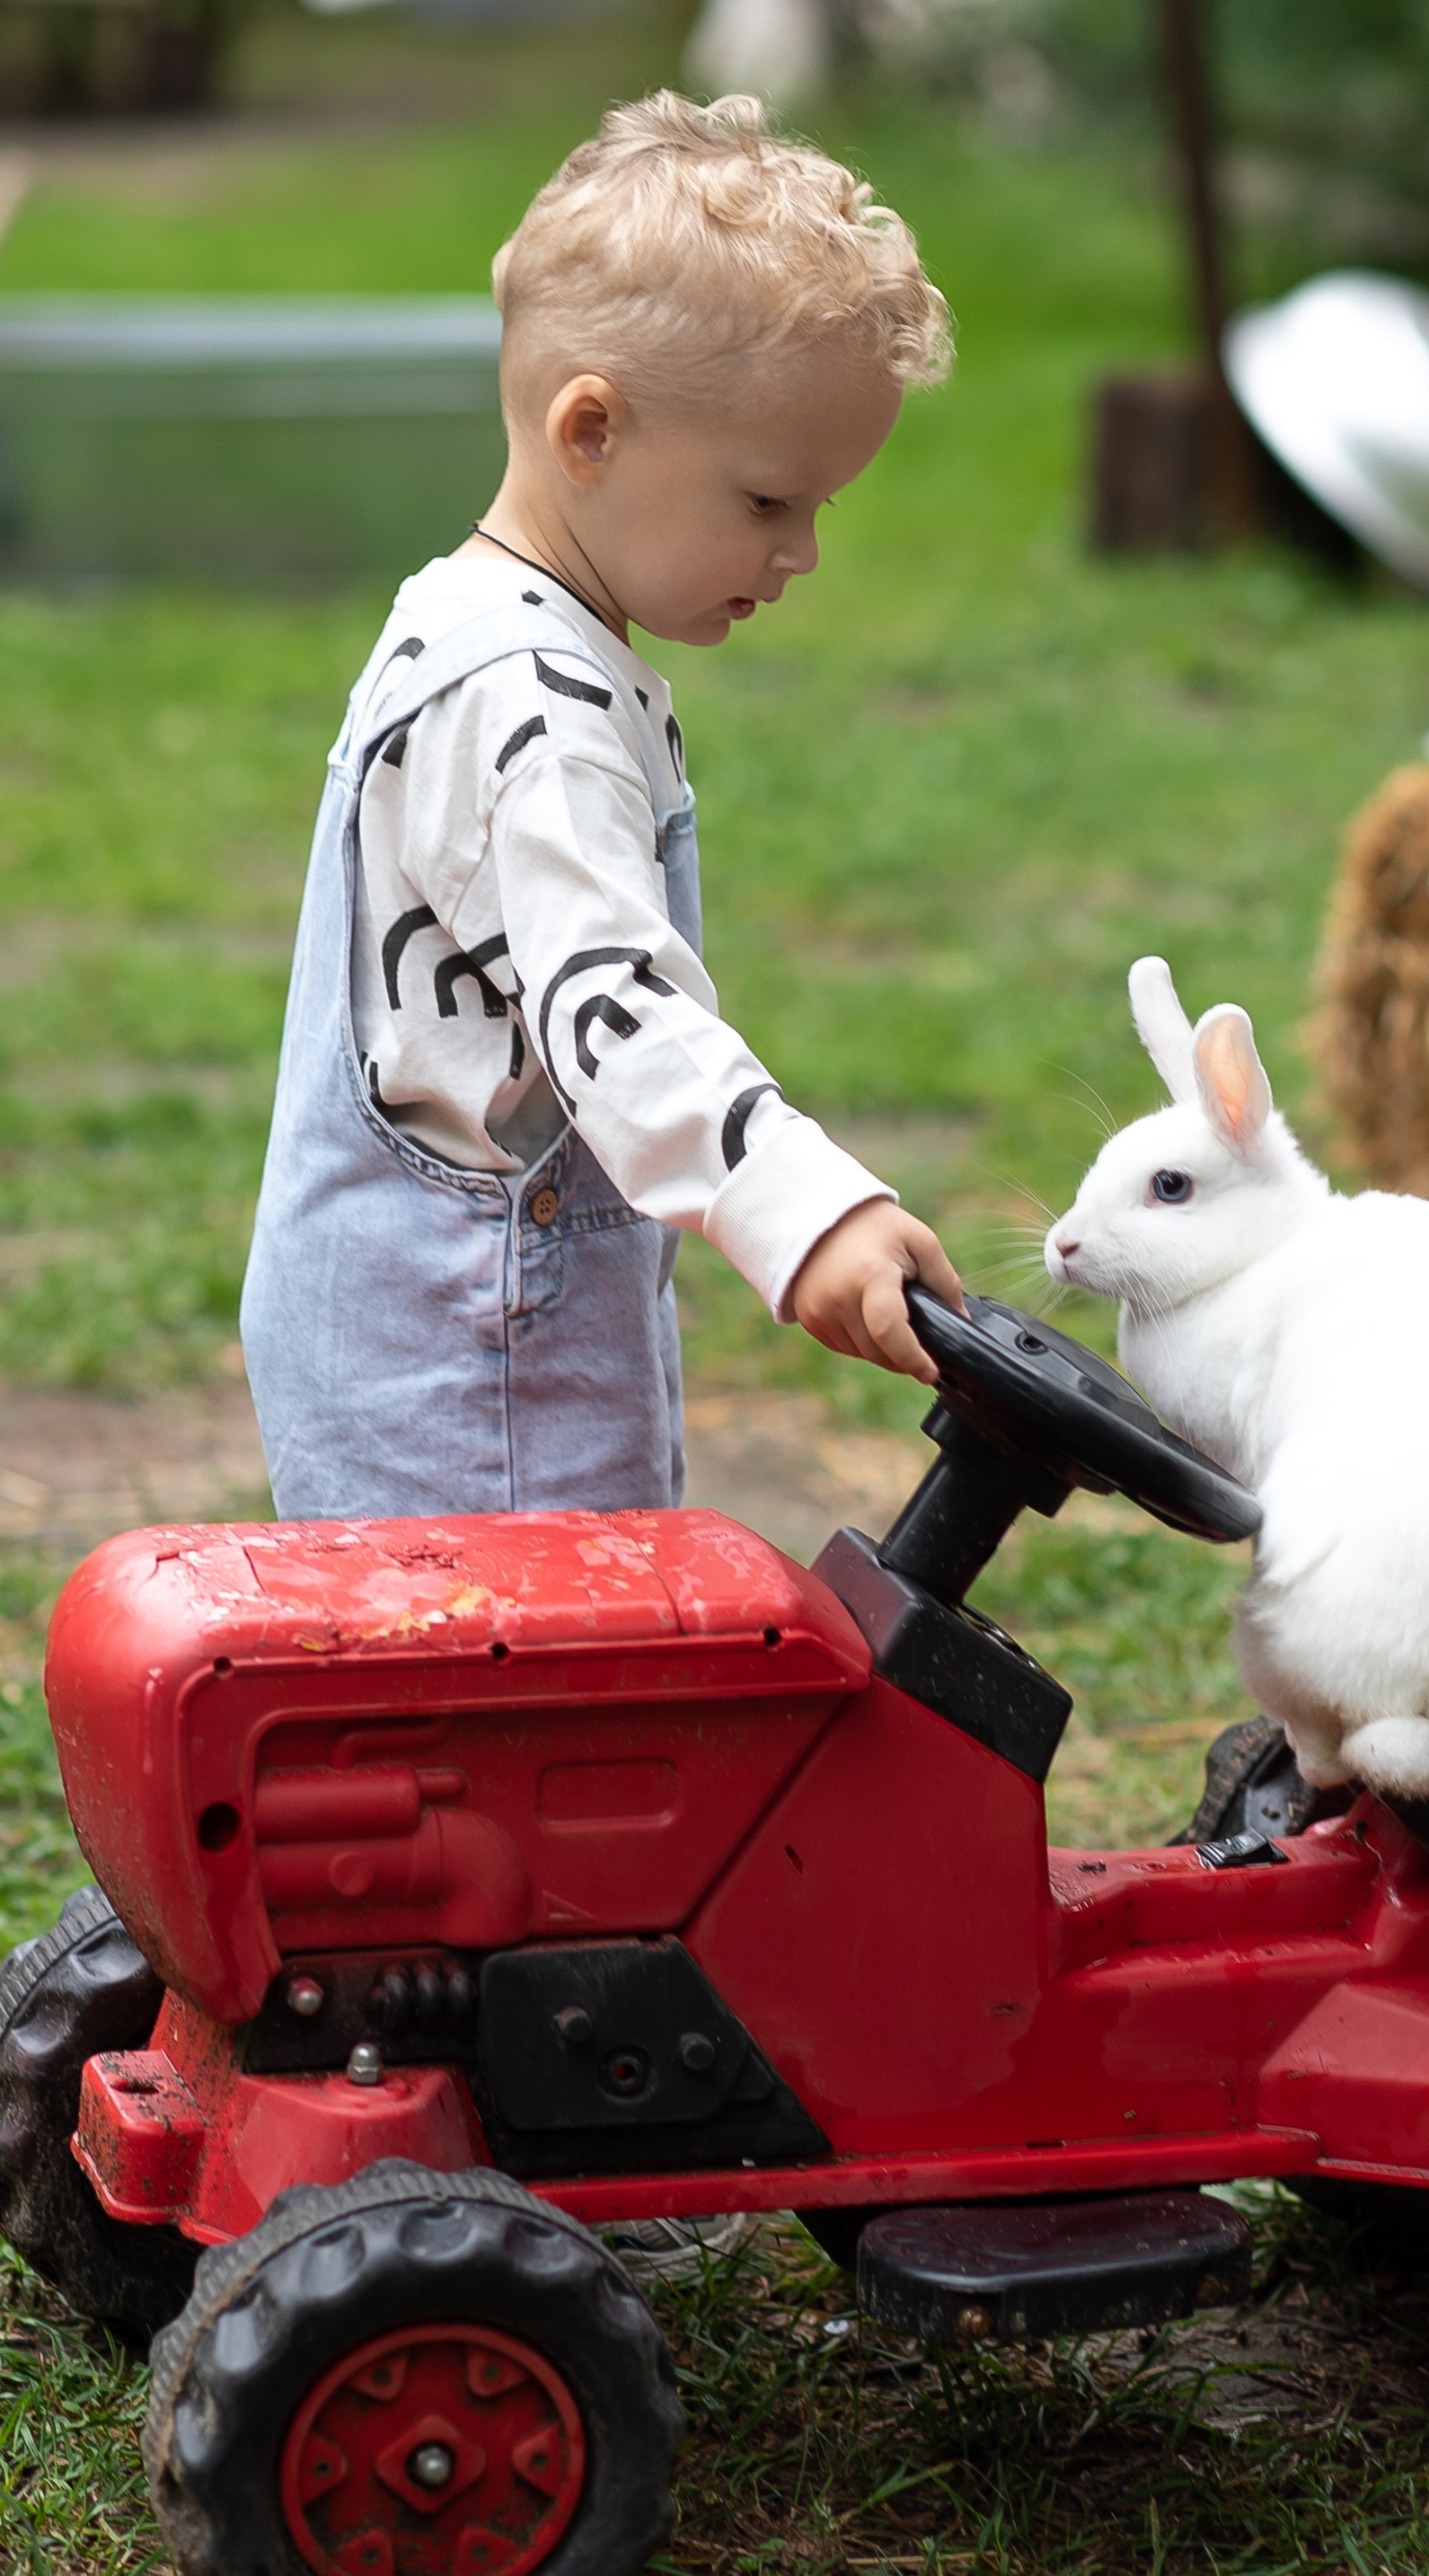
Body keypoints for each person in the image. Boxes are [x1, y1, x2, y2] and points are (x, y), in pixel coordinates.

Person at [242, 90, 964, 1520]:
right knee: (523, 1696)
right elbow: (611, 1006)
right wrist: (805, 1210)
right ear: (592, 430)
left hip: (451, 1325)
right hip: (467, 1366)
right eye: (767, 502)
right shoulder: (529, 704)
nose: (803, 550)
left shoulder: (477, 616)